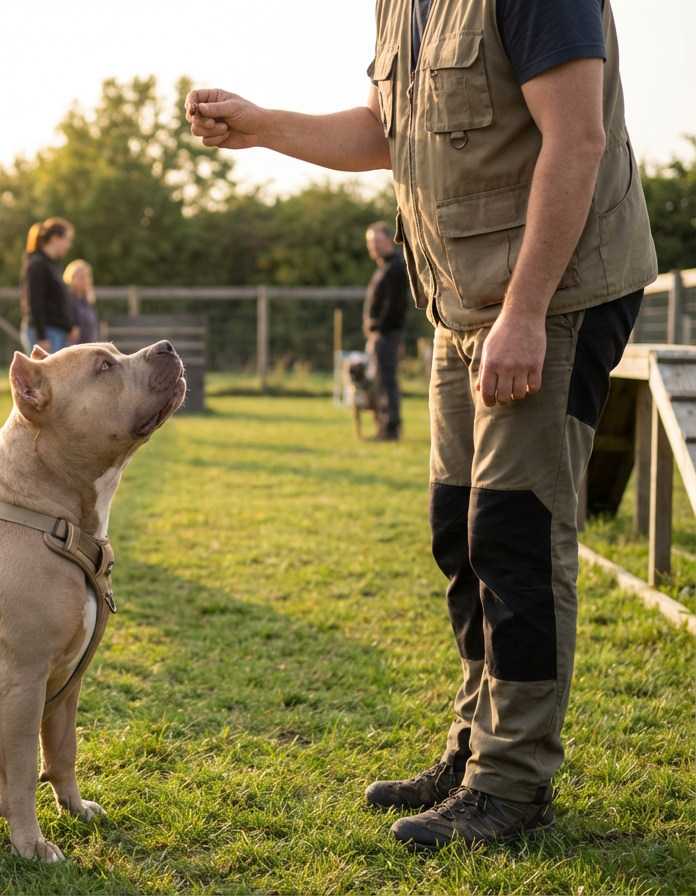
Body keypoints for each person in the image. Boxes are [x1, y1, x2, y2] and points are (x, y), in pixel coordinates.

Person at [188, 0, 655, 850]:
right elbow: (386, 128)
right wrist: (264, 127)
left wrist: (523, 313)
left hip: (552, 294)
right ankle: (474, 747)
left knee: (515, 531)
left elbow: (577, 139)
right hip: (460, 299)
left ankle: (512, 784)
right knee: (459, 526)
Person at [363, 222, 409, 440]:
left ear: (390, 240)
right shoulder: (385, 266)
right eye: (370, 242)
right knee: (381, 380)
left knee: (386, 381)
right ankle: (385, 426)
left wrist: (379, 330)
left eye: (377, 241)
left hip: (387, 335)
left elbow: (394, 306)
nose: (373, 246)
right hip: (382, 334)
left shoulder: (396, 267)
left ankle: (390, 428)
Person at [20, 218, 75, 354]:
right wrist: (41, 337)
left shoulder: (53, 265)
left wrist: (68, 326)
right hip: (46, 333)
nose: (69, 245)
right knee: (45, 376)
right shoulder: (38, 264)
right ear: (55, 238)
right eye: (68, 239)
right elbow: (35, 301)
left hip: (55, 332)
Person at [64, 259, 100, 344]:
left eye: (87, 276)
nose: (85, 280)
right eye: (81, 276)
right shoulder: (67, 299)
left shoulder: (88, 301)